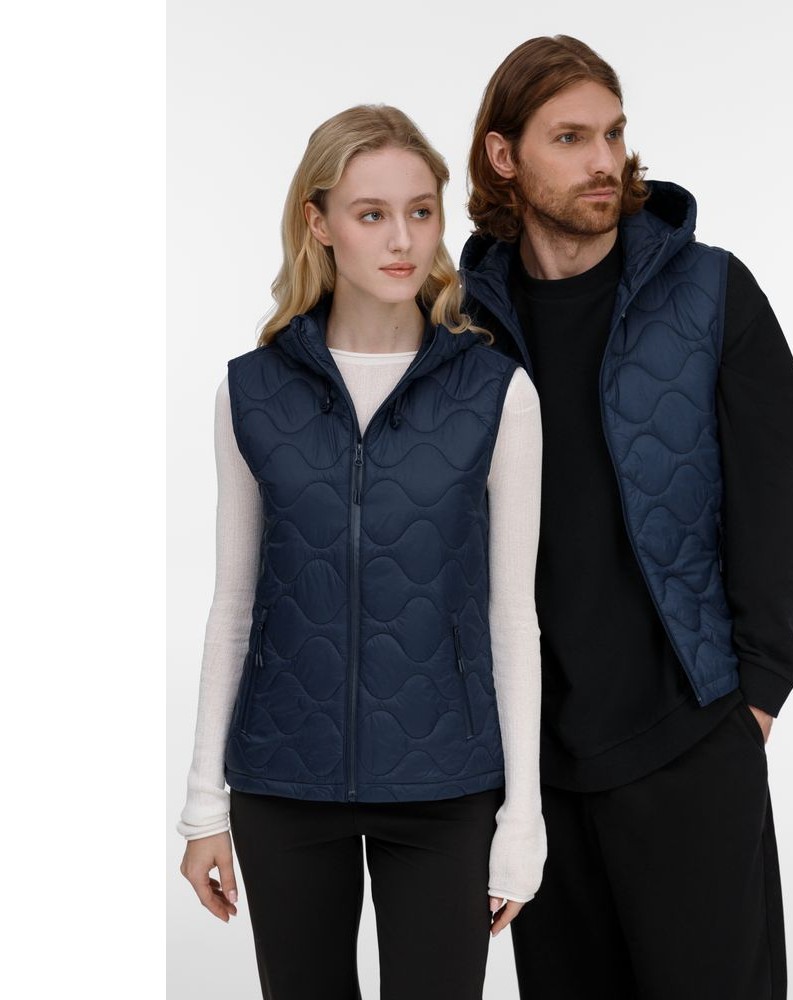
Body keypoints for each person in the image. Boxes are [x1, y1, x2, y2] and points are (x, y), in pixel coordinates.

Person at [460, 36, 793, 1000]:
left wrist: (756, 695)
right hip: (537, 765)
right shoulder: (464, 330)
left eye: (612, 134)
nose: (603, 160)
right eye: (570, 138)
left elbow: (773, 493)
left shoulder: (712, 293)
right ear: (504, 157)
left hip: (690, 737)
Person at [177, 105, 546, 1000]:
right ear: (319, 222)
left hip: (447, 783)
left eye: (421, 211)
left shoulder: (497, 393)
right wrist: (203, 804)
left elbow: (512, 617)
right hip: (283, 782)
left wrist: (523, 816)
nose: (402, 239)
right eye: (371, 213)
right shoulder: (251, 392)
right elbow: (234, 605)